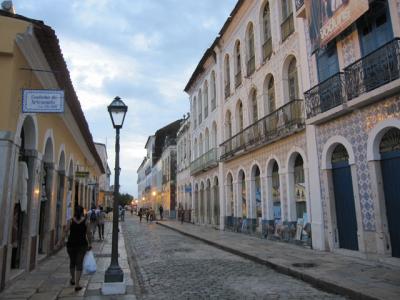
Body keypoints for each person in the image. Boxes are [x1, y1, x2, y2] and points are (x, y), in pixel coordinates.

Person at [66, 205, 91, 292]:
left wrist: (60, 242)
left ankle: (73, 279)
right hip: (82, 245)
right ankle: (77, 284)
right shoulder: (86, 222)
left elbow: (65, 231)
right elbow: (88, 233)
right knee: (79, 263)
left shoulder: (71, 221)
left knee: (72, 262)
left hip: (71, 244)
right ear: (82, 212)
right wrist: (90, 243)